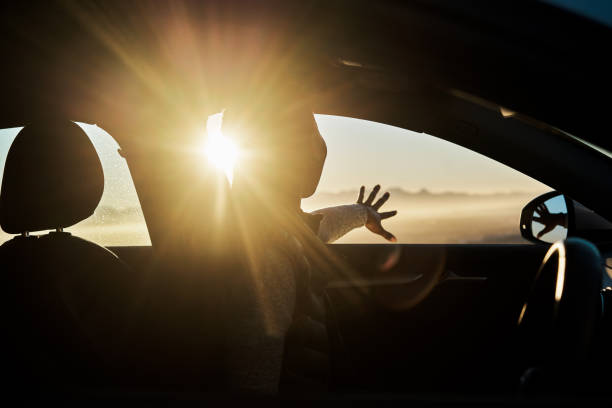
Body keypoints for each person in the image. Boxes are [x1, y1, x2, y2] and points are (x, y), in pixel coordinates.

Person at [222, 101, 397, 396]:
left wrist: (363, 213)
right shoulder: (268, 255)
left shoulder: (280, 223)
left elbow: (319, 226)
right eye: (305, 136)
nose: (319, 149)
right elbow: (254, 379)